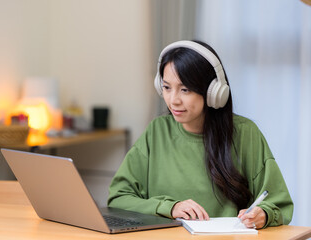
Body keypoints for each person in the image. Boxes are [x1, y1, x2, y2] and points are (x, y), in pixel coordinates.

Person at [107, 40, 293, 229]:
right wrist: (170, 208)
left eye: (185, 89)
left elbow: (279, 204)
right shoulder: (156, 131)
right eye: (166, 87)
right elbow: (119, 198)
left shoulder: (246, 133)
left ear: (214, 92)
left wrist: (264, 214)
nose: (173, 100)